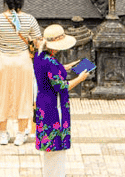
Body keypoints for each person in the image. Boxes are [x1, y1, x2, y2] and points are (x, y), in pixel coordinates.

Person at [0, 0, 42, 146]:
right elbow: (38, 42)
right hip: (23, 61)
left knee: (2, 95)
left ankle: (3, 134)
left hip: (3, 61)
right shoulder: (30, 19)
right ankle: (20, 134)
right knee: (24, 96)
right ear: (22, 1)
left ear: (5, 1)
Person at [33, 24, 91, 177]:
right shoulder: (51, 63)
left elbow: (49, 73)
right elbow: (62, 86)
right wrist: (80, 78)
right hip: (54, 107)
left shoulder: (40, 57)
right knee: (56, 148)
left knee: (49, 150)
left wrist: (65, 67)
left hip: (43, 104)